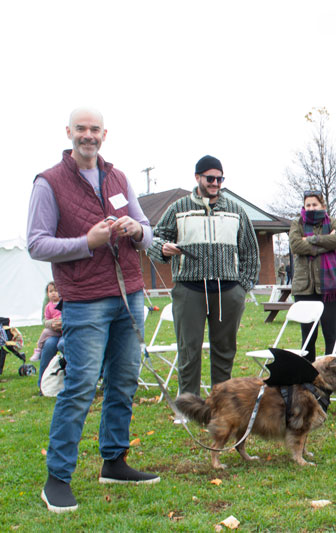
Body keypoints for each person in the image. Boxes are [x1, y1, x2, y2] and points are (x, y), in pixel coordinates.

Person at [27, 108, 158, 513]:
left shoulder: (117, 177)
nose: (88, 135)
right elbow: (36, 244)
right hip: (84, 300)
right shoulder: (49, 182)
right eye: (80, 129)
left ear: (105, 134)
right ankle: (57, 480)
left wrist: (137, 230)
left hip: (129, 295)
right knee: (81, 387)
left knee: (123, 382)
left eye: (94, 129)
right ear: (68, 132)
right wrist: (88, 240)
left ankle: (114, 462)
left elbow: (147, 231)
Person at [148, 155, 259, 399]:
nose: (215, 183)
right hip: (189, 289)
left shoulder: (236, 210)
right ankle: (188, 404)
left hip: (228, 290)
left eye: (220, 178)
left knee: (224, 350)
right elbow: (154, 240)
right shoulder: (178, 209)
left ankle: (221, 404)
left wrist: (243, 287)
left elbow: (250, 250)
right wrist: (163, 249)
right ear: (197, 177)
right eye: (210, 178)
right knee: (189, 350)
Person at [288, 190, 336, 361]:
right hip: (304, 288)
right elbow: (296, 246)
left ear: (322, 205)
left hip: (331, 287)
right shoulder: (297, 223)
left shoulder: (332, 221)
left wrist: (311, 240)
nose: (311, 208)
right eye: (308, 205)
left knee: (330, 334)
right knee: (308, 336)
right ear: (304, 206)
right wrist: (325, 241)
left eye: (315, 204)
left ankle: (332, 375)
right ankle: (307, 378)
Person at [32, 282, 61, 362]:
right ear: (47, 294)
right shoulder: (48, 306)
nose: (53, 293)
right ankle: (38, 349)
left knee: (62, 344)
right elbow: (45, 320)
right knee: (47, 338)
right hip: (55, 330)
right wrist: (52, 323)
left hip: (65, 330)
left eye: (56, 291)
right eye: (51, 291)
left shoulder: (64, 303)